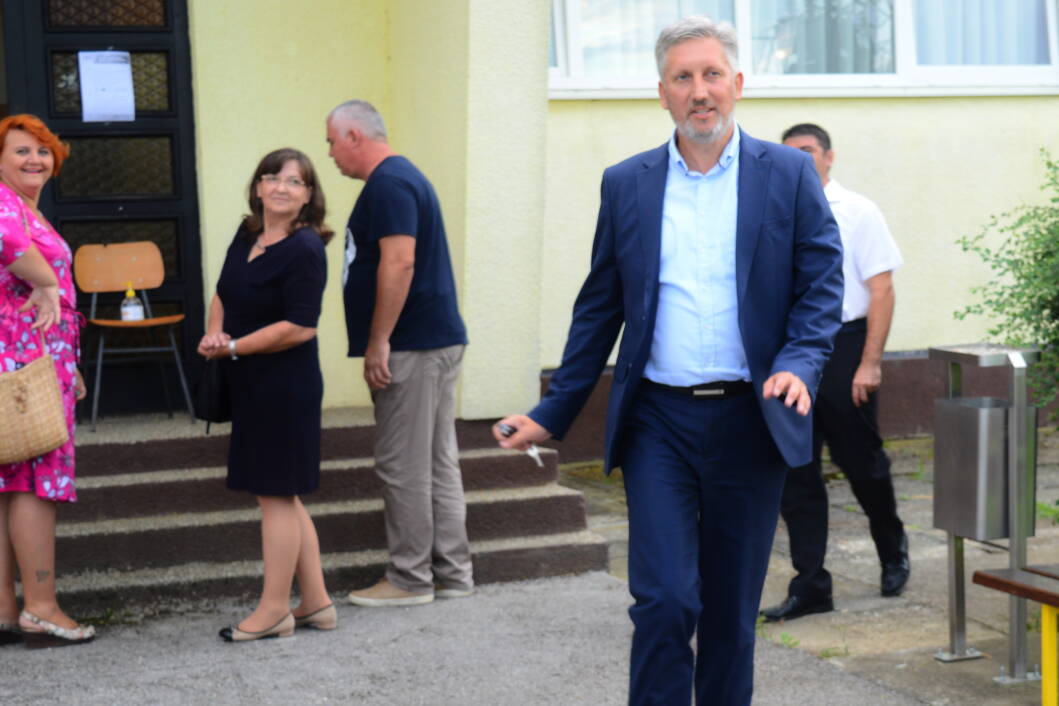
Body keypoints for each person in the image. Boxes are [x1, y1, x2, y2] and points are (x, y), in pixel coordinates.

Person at [494, 16, 843, 706]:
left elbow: (821, 282)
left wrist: (800, 362)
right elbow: (600, 306)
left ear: (737, 83)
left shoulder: (787, 174)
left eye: (711, 74)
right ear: (662, 93)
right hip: (659, 423)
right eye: (683, 77)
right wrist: (552, 411)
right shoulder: (628, 183)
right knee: (664, 600)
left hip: (751, 420)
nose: (699, 91)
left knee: (729, 614)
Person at [326, 100, 472, 607]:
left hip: (413, 346)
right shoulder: (400, 179)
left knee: (402, 465)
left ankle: (409, 579)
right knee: (435, 461)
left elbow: (399, 261)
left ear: (354, 136)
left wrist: (378, 340)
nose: (330, 154)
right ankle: (452, 574)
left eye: (332, 142)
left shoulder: (389, 183)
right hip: (431, 342)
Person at [761, 123, 907, 623]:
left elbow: (881, 290)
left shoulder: (858, 211)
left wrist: (870, 362)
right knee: (796, 471)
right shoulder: (772, 212)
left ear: (828, 157)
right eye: (790, 155)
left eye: (807, 152)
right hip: (791, 351)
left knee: (862, 464)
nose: (799, 162)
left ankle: (892, 551)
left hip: (845, 345)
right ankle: (811, 586)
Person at [198, 148, 336, 642]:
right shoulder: (247, 234)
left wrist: (233, 347)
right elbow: (223, 291)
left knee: (275, 496)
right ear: (258, 187)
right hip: (249, 381)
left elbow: (300, 327)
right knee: (281, 495)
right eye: (272, 177)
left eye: (294, 181)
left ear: (308, 196)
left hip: (285, 386)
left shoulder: (306, 249)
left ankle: (274, 609)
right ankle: (316, 603)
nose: (281, 187)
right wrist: (216, 333)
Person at [0, 114, 94, 648]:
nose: (35, 159)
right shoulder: (4, 203)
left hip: (32, 358)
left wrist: (70, 361)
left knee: (9, 478)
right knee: (36, 478)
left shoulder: (25, 206)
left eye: (43, 151)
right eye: (21, 151)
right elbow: (9, 243)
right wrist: (48, 282)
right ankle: (41, 606)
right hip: (23, 364)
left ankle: (5, 609)